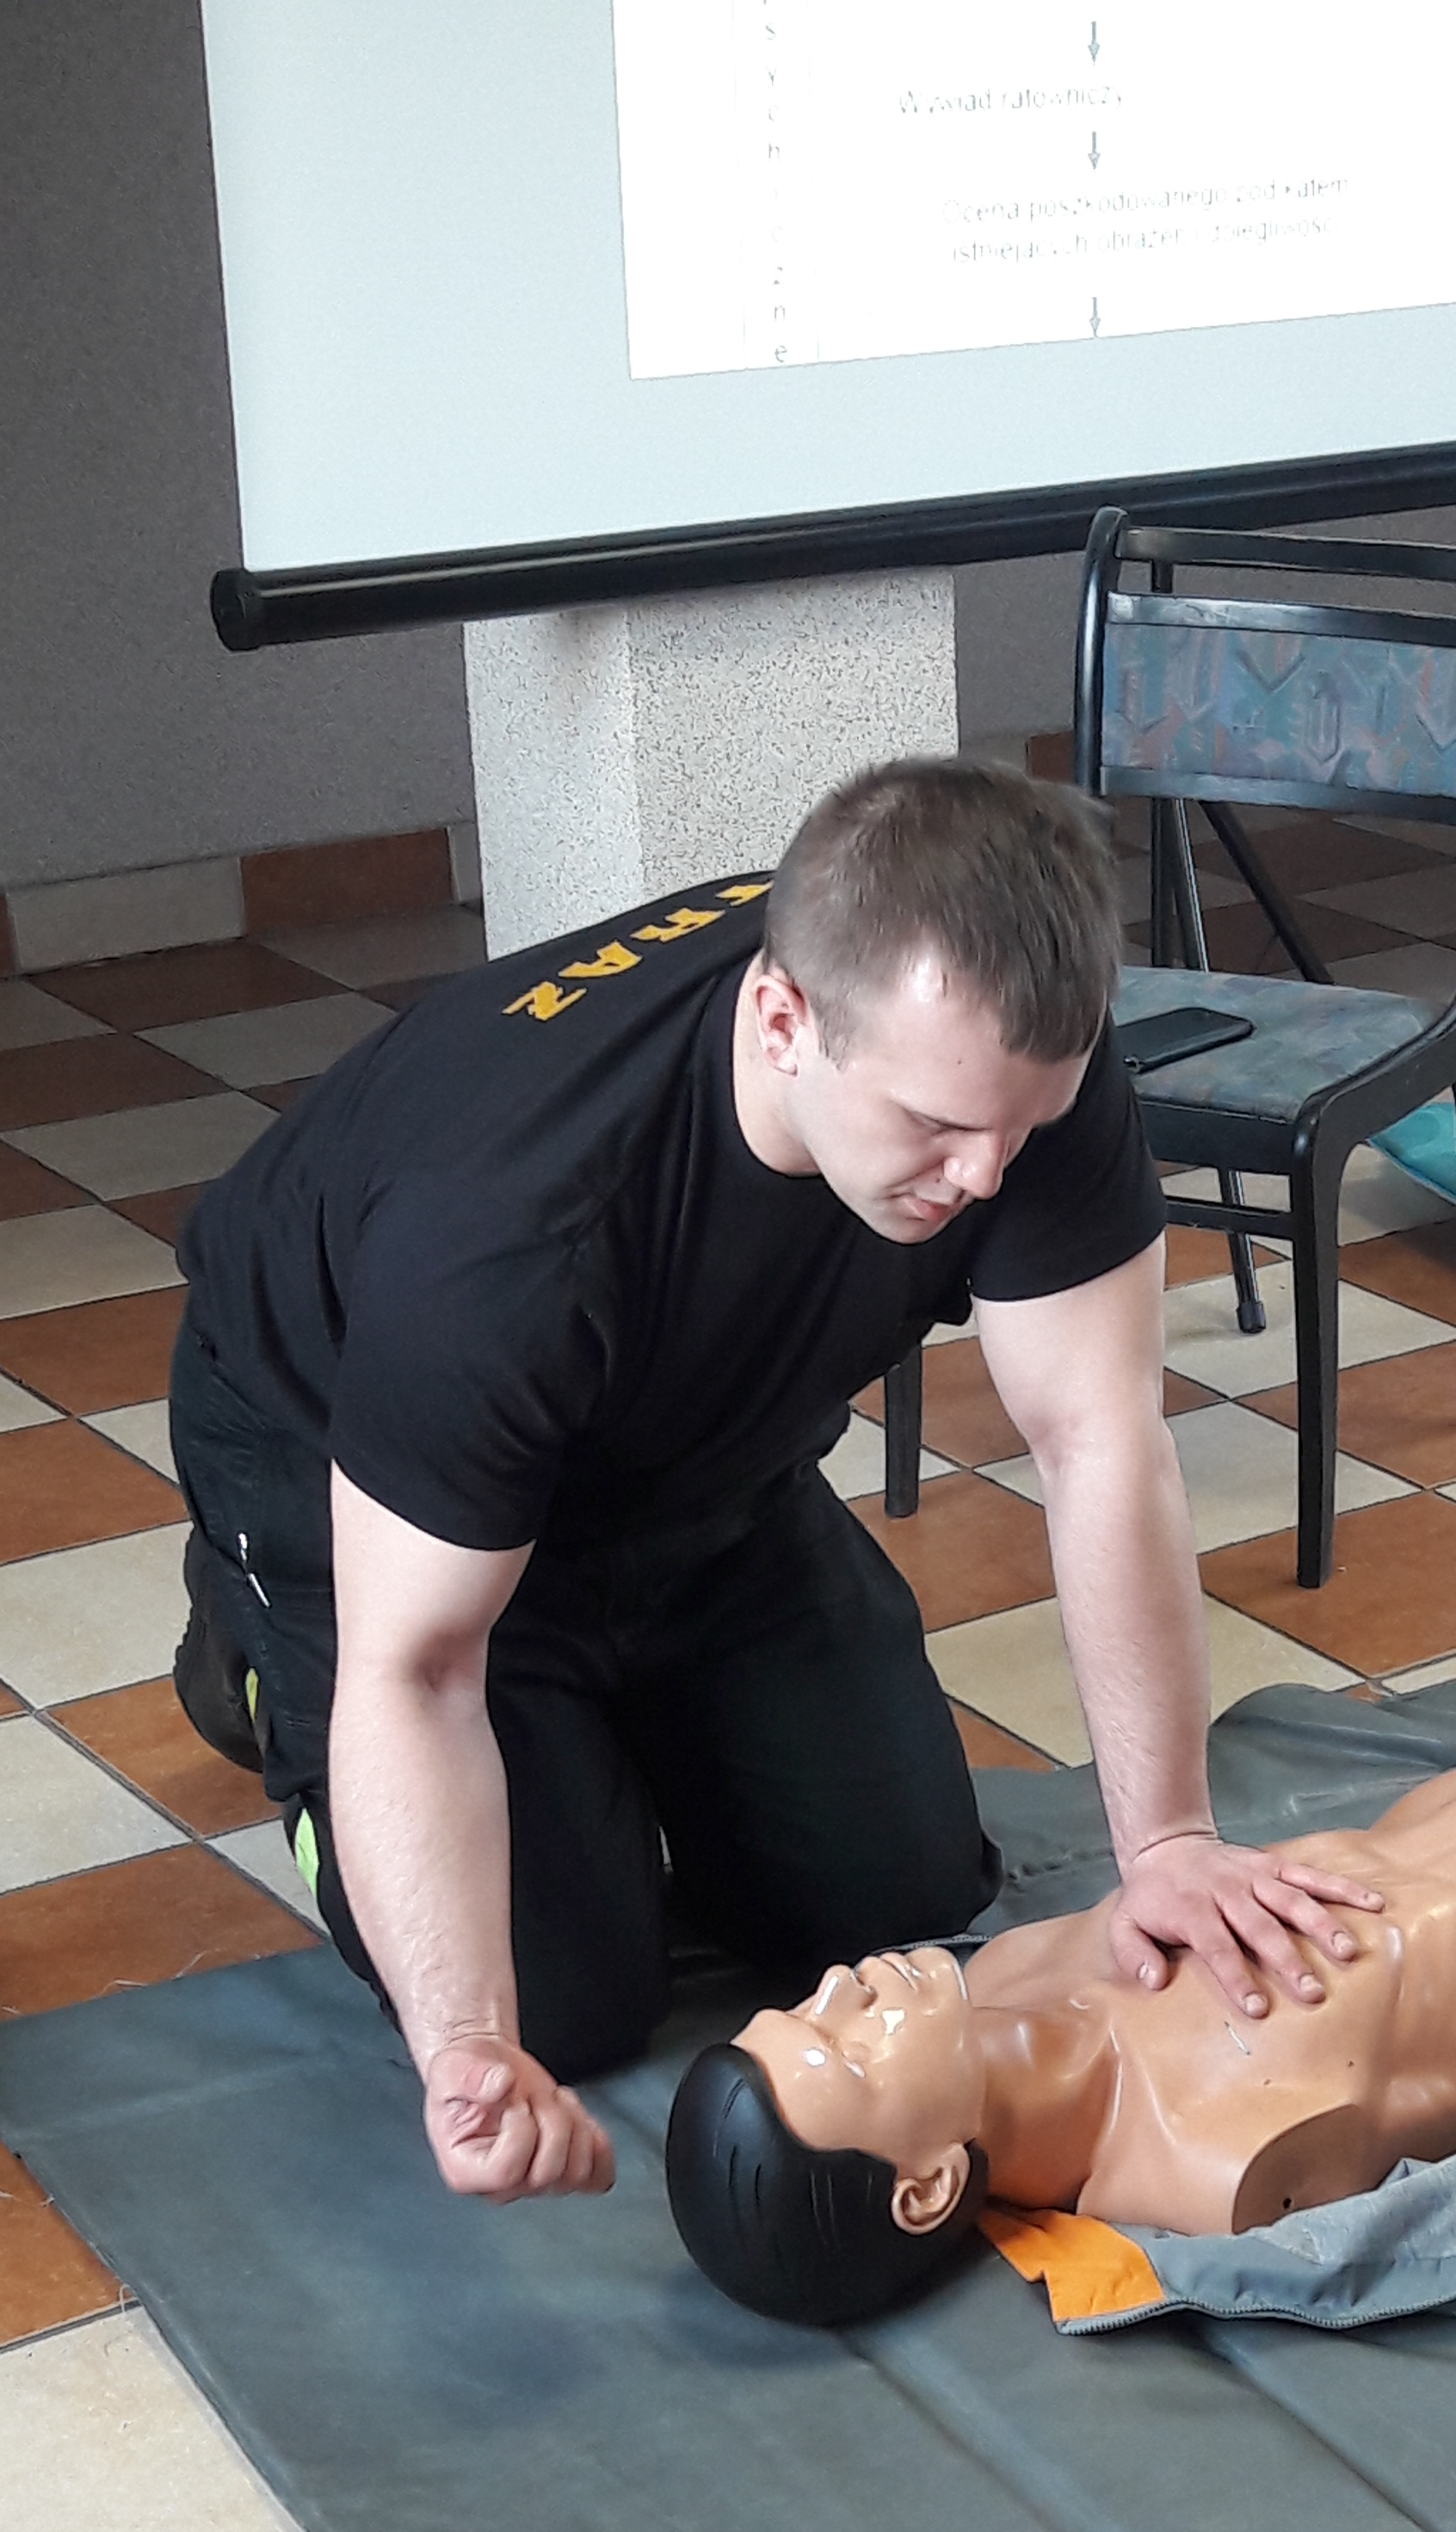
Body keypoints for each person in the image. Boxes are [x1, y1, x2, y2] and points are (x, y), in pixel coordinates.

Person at [169, 760, 1379, 2207]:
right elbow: (417, 1671)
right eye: (937, 1130)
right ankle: (256, 1660)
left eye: (1023, 1126)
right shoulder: (503, 1233)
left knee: (902, 1904)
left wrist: (1170, 1839)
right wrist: (466, 2043)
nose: (987, 1179)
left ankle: (625, 1700)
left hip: (691, 1463)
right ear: (783, 1021)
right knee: (562, 2003)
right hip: (335, 1462)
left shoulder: (1006, 1076)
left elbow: (1100, 1441)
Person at [666, 1705, 1456, 2324]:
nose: (844, 1986)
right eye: (844, 2049)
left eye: (802, 2006)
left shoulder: (1014, 1967)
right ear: (924, 2188)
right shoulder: (1211, 2164)